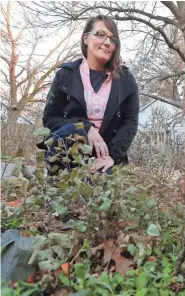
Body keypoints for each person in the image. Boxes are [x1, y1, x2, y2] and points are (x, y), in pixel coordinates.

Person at [37, 15, 139, 176]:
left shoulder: (126, 80)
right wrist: (85, 127)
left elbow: (130, 122)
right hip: (66, 154)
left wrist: (112, 156)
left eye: (113, 39)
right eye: (100, 34)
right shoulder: (65, 75)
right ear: (86, 38)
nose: (107, 43)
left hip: (104, 158)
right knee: (62, 197)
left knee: (103, 195)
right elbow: (49, 118)